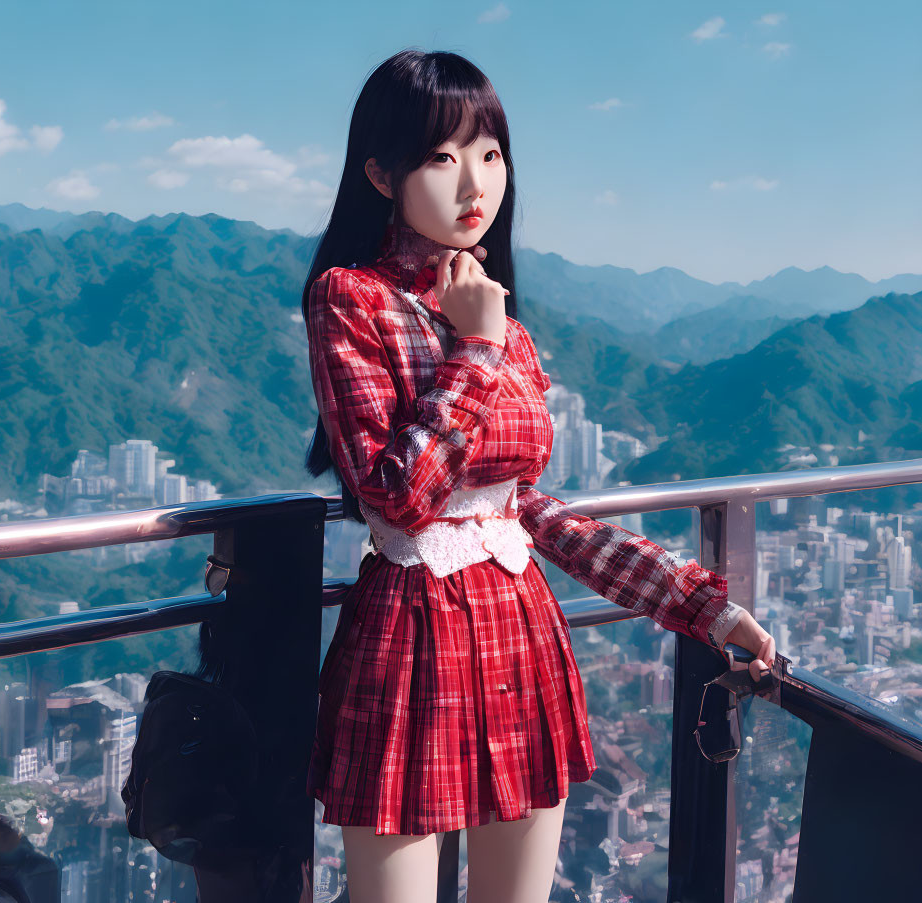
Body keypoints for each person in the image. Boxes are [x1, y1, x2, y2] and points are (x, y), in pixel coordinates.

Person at [300, 49, 778, 903]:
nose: (473, 183)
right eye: (441, 158)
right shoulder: (353, 298)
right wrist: (476, 346)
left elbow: (528, 512)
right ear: (379, 172)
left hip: (520, 635)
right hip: (413, 641)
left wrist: (703, 604)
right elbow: (395, 494)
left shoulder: (500, 315)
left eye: (488, 153)